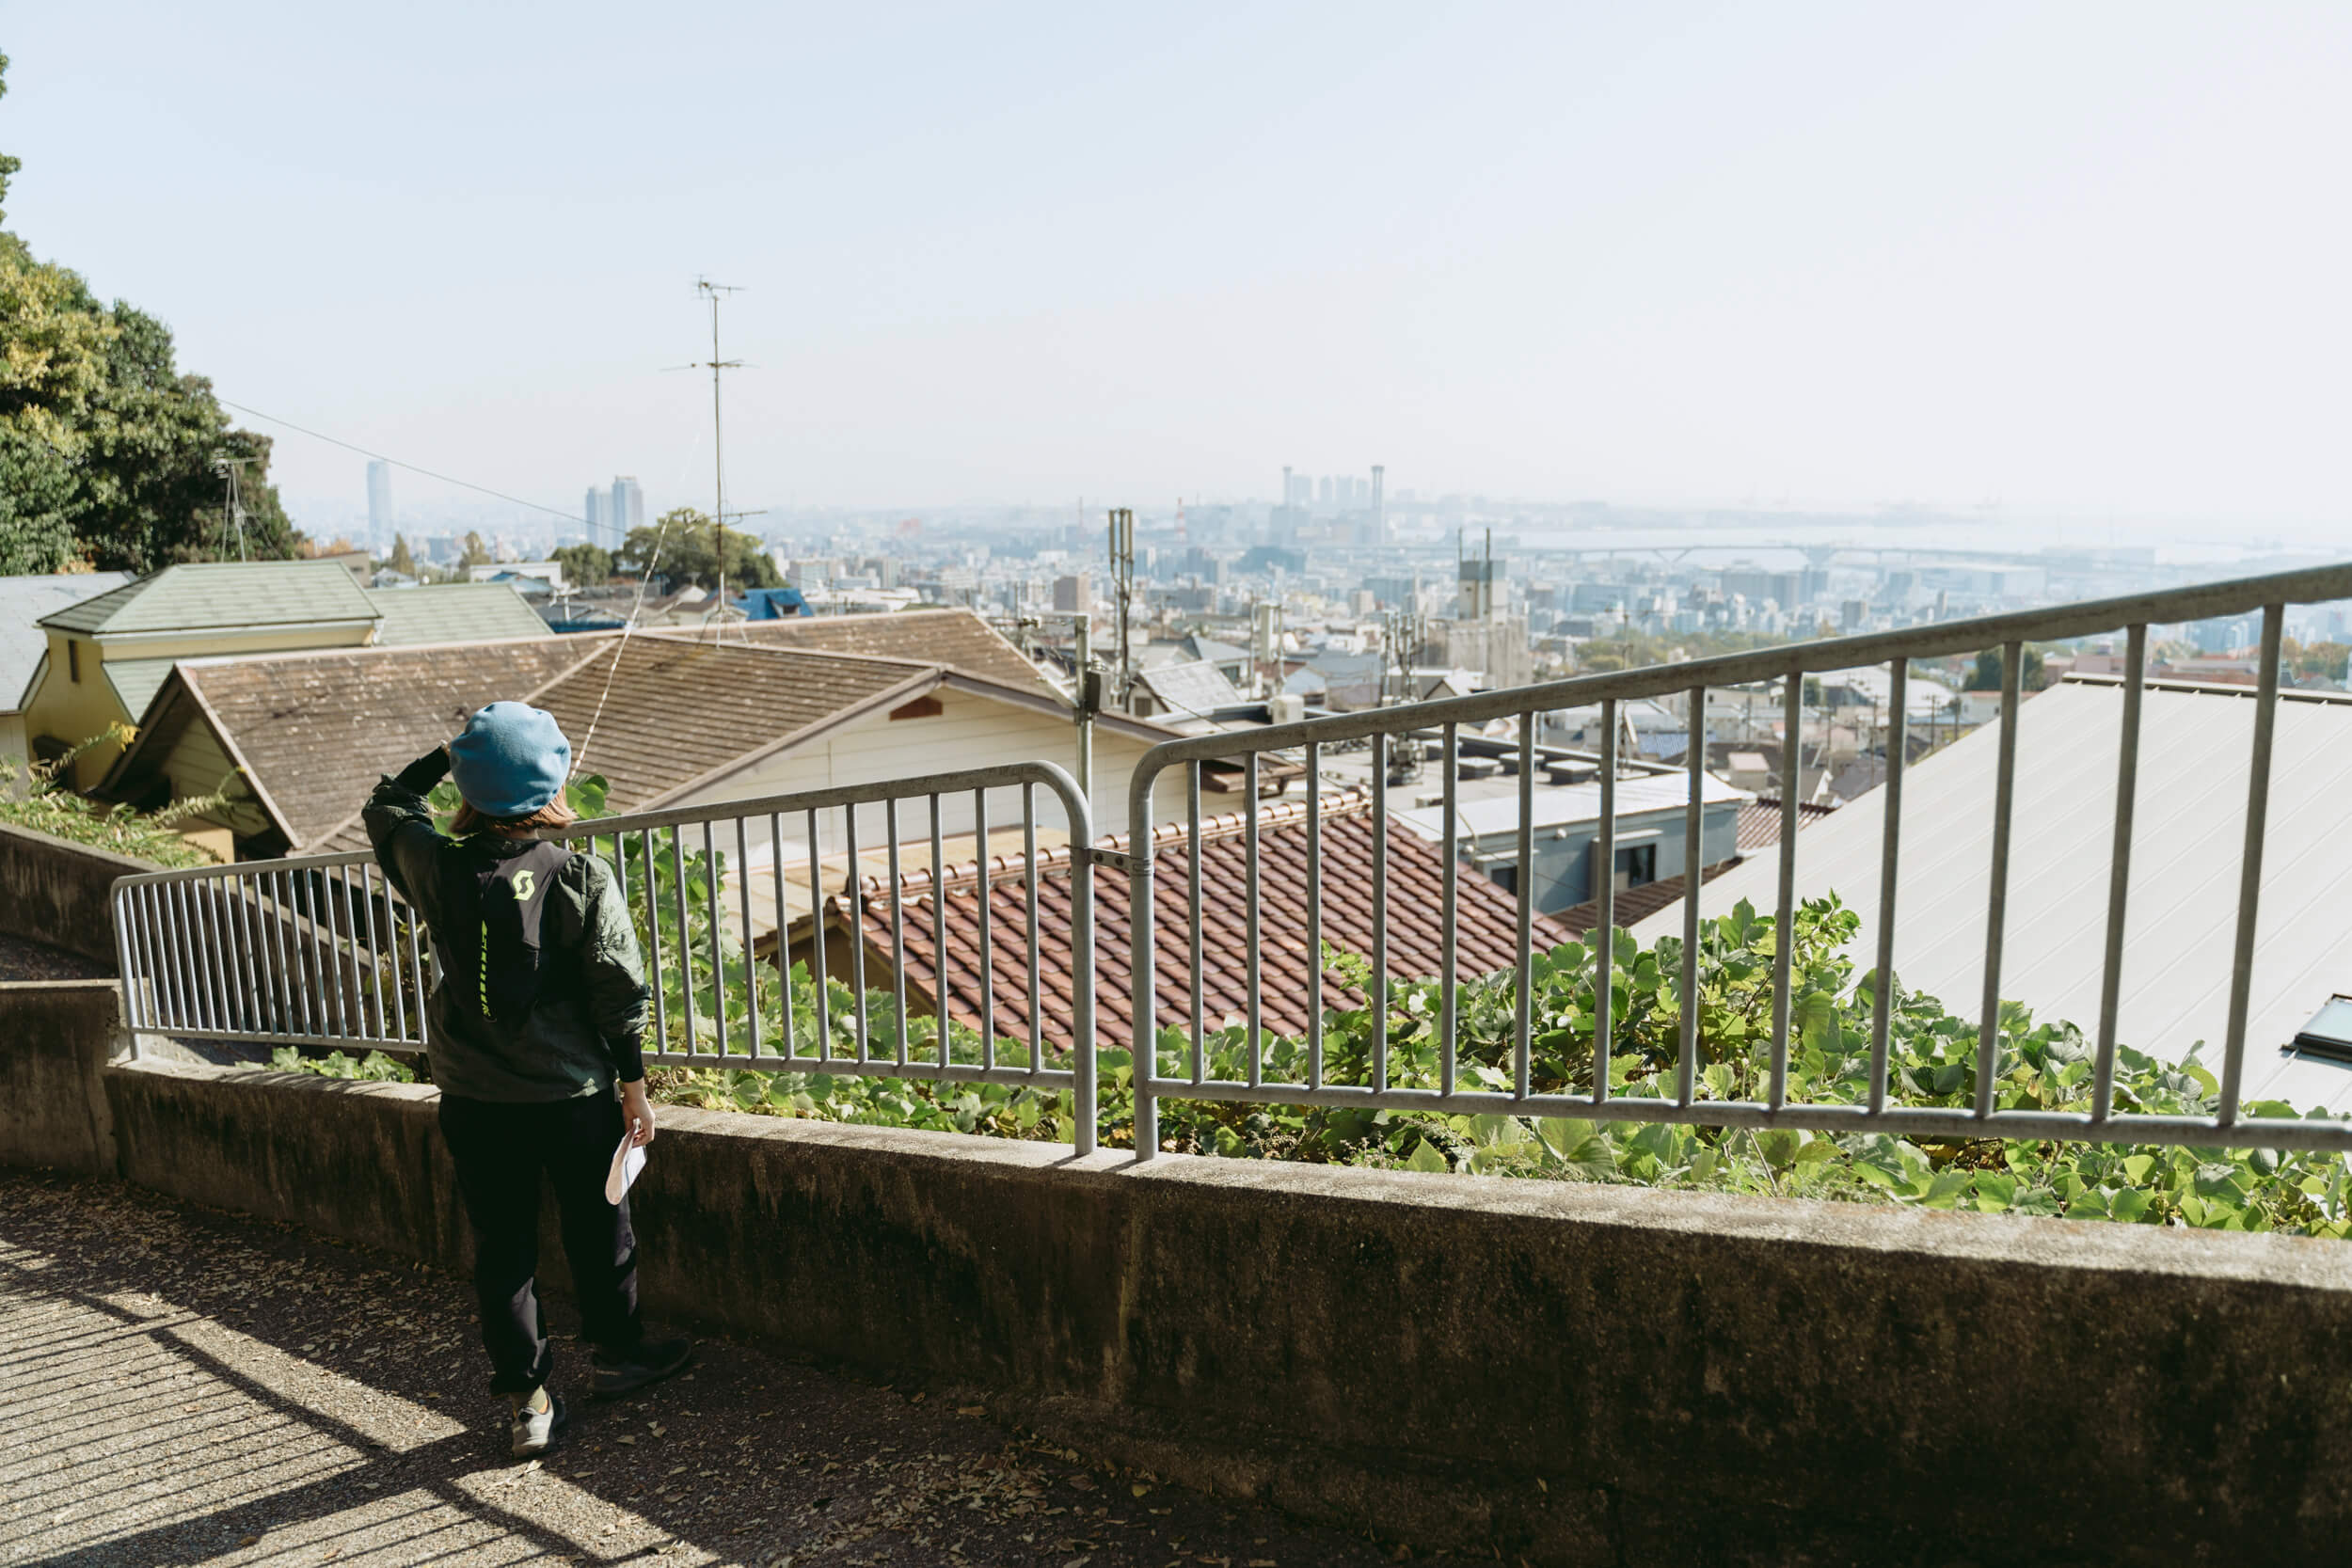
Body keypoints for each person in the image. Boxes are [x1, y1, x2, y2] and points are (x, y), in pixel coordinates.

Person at [364, 701, 691, 1458]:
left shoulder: (433, 863)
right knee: (598, 1226)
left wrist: (450, 755)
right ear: (552, 781)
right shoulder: (580, 873)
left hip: (474, 1097)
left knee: (502, 1246)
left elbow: (386, 804)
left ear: (473, 784)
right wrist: (633, 1087)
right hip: (571, 1096)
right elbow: (619, 989)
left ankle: (528, 1400)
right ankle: (619, 1353)